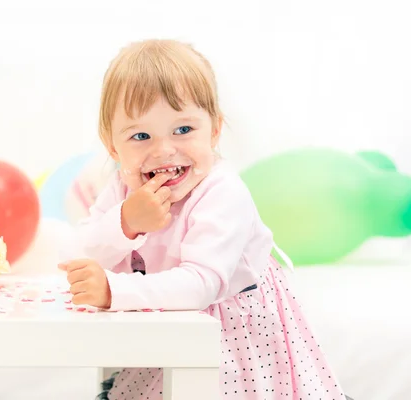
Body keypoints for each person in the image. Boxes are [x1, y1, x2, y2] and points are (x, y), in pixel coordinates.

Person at [58, 39, 350, 400]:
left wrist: (113, 291)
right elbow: (82, 250)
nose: (163, 150)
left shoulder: (222, 191)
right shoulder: (124, 186)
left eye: (183, 130)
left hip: (233, 336)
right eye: (141, 135)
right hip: (170, 322)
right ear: (113, 146)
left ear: (213, 130)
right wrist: (126, 222)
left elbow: (201, 284)